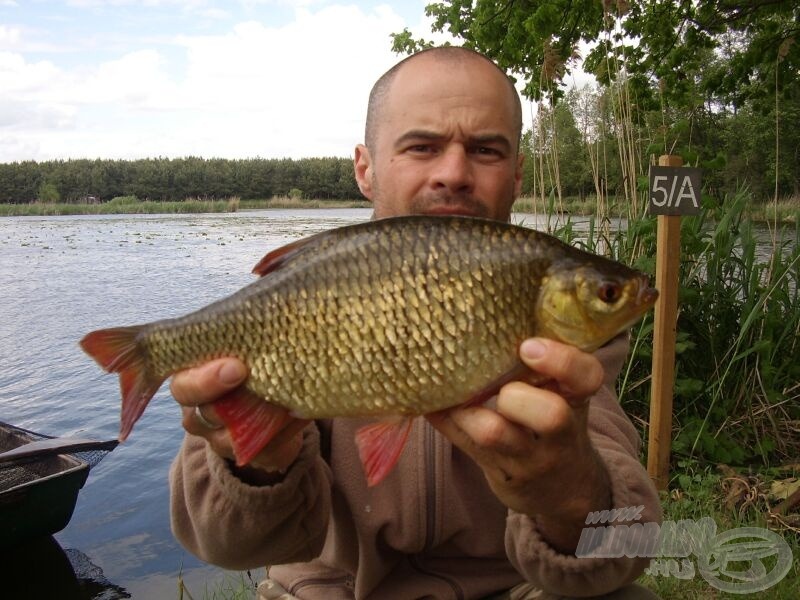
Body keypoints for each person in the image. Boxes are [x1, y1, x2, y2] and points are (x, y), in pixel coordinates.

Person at [169, 47, 662, 600]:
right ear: (365, 167)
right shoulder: (305, 296)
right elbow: (227, 548)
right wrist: (256, 462)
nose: (453, 174)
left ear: (517, 173)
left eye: (486, 150)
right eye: (421, 146)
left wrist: (571, 494)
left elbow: (628, 548)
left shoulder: (561, 327)